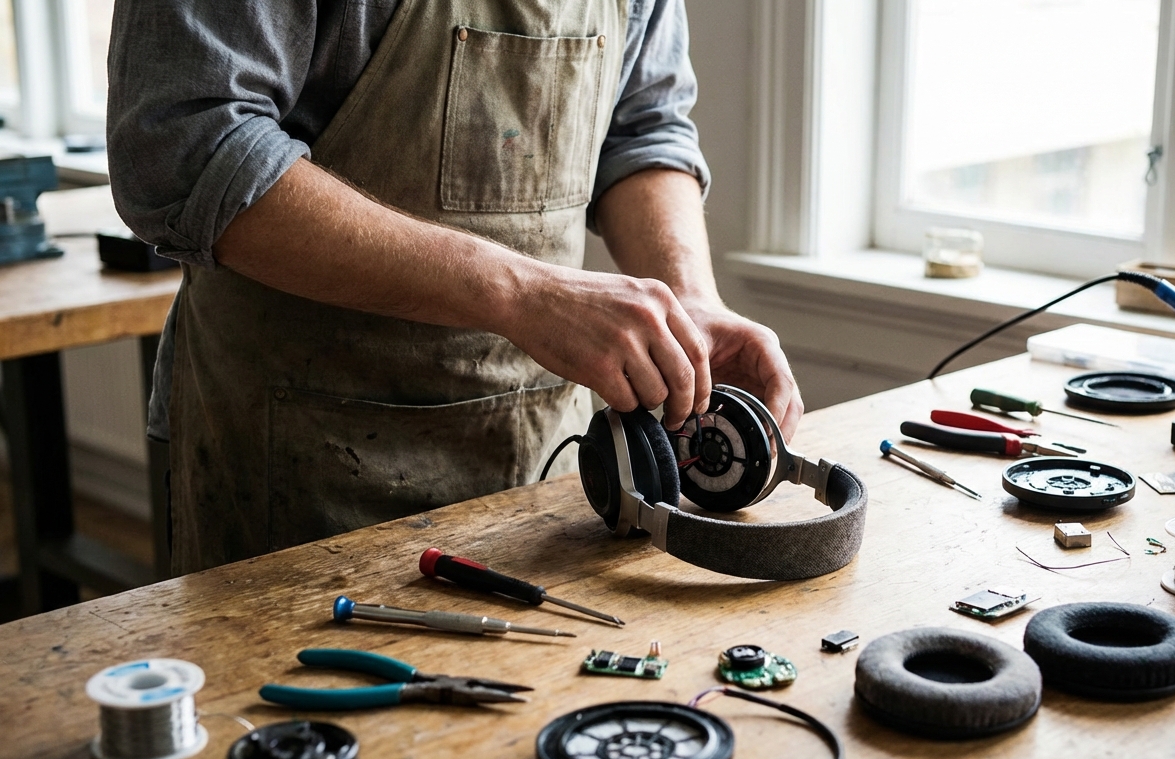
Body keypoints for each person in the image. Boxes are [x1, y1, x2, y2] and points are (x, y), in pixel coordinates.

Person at [106, 0, 802, 574]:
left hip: (546, 469)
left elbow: (643, 125)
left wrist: (692, 302)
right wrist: (524, 293)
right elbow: (184, 152)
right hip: (296, 467)